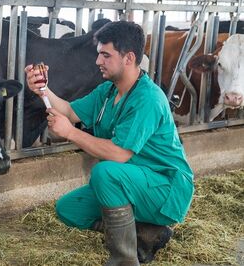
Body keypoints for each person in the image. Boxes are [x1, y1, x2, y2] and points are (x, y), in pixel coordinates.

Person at [25, 21, 194, 265]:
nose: (98, 61)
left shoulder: (147, 98)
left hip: (165, 188)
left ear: (129, 58)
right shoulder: (108, 91)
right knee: (68, 209)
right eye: (99, 54)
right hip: (132, 182)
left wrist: (71, 133)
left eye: (106, 55)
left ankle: (124, 259)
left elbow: (119, 154)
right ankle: (146, 232)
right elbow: (70, 111)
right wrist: (43, 90)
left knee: (105, 172)